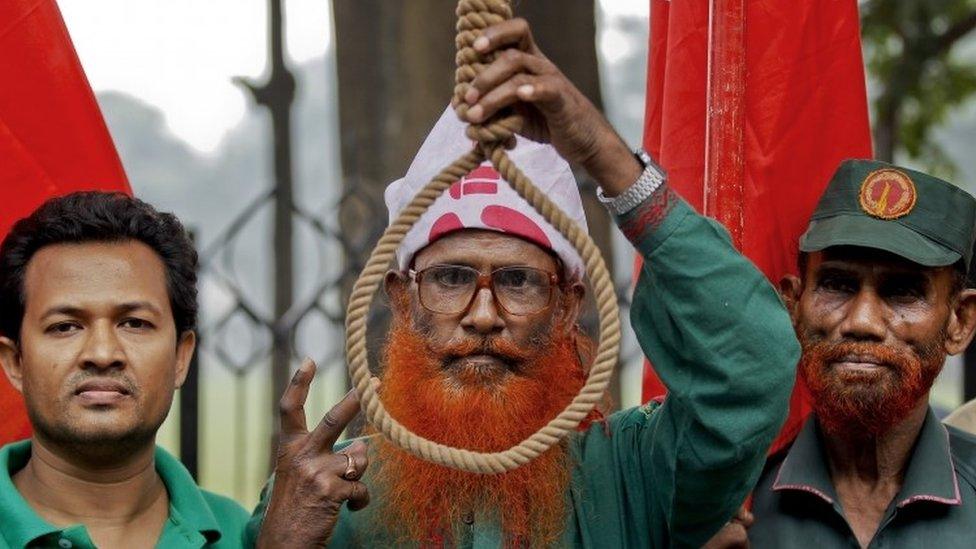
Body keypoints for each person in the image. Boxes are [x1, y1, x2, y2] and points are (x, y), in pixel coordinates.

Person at [247, 18, 798, 548]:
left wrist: (601, 152)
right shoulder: (328, 499)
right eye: (451, 278)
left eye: (518, 281)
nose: (483, 315)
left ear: (565, 308)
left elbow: (754, 367)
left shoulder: (636, 475)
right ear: (401, 298)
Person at [0, 193, 249, 548]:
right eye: (65, 326)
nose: (102, 353)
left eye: (134, 323)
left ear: (181, 356)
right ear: (15, 362)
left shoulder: (245, 535)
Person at [749, 160, 976, 548]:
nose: (863, 321)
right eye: (837, 284)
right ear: (792, 304)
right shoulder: (733, 503)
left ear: (959, 322)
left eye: (903, 291)